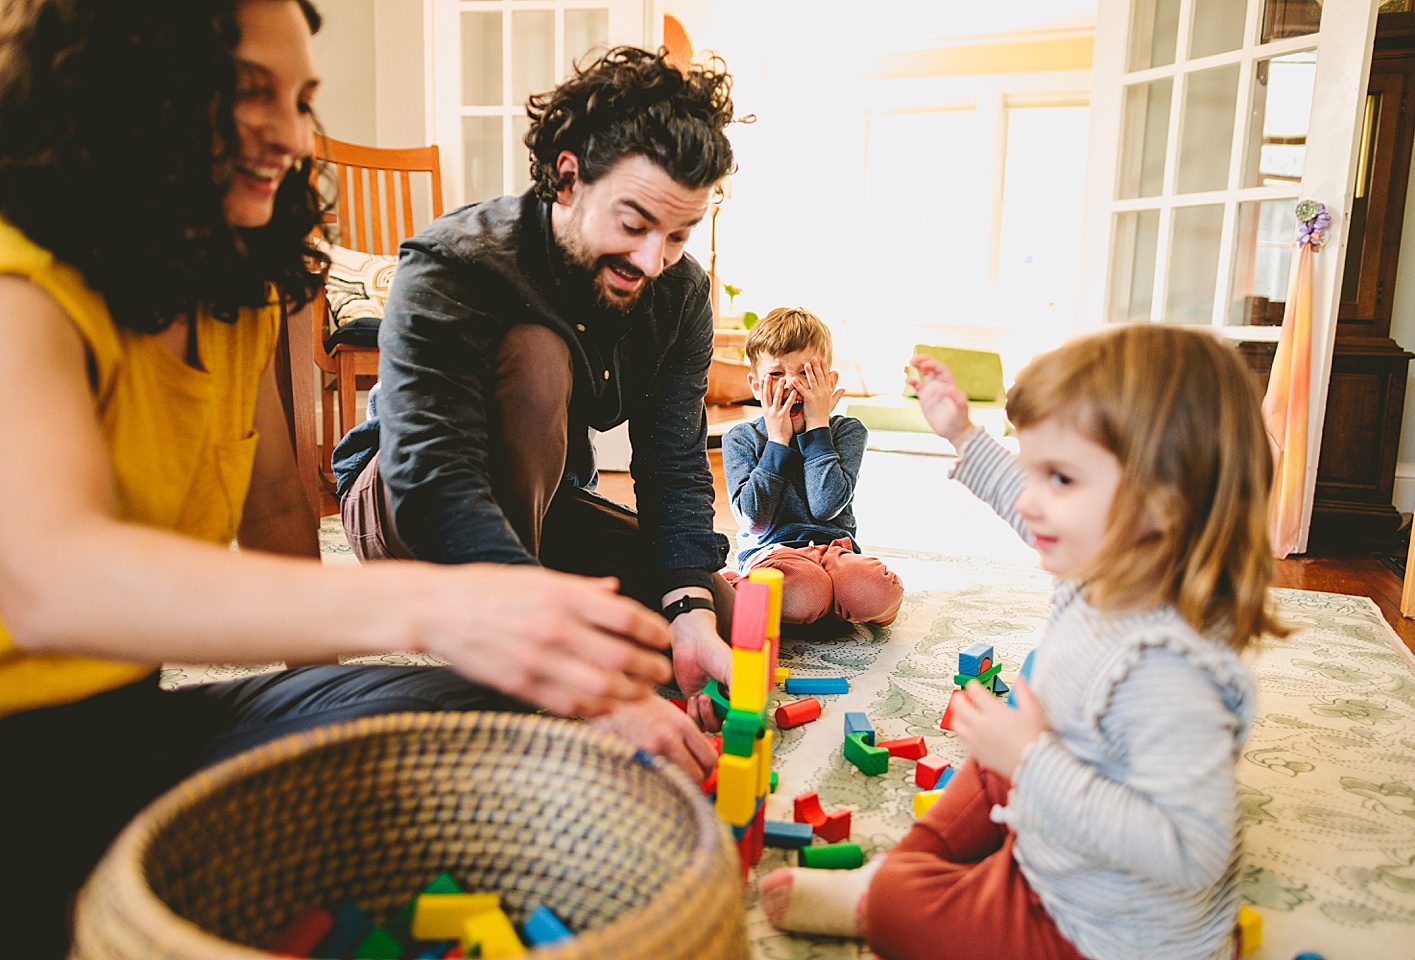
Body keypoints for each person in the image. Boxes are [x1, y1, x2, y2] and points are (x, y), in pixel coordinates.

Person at [0, 2, 681, 955]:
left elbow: (278, 506)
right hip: (18, 756)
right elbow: (43, 580)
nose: (293, 134)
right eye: (251, 92)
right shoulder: (19, 281)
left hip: (135, 725)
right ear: (128, 85)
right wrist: (432, 607)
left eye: (304, 98)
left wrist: (318, 758)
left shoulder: (243, 274)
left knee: (505, 715)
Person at [758, 325, 1285, 960]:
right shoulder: (1115, 559)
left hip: (1091, 927)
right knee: (990, 760)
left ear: (1161, 504)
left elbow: (1190, 853)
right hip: (1058, 823)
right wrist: (960, 434)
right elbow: (1020, 499)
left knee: (903, 902)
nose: (1030, 502)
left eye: (1059, 479)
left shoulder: (1168, 674)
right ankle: (912, 871)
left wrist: (1031, 761)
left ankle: (880, 897)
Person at [331, 46, 739, 730]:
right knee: (538, 353)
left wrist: (689, 611)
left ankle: (540, 603)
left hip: (541, 508)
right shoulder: (453, 262)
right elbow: (432, 478)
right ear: (568, 178)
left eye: (677, 235)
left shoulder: (681, 294)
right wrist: (544, 647)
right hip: (405, 502)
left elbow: (672, 467)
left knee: (698, 605)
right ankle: (507, 645)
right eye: (634, 224)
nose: (652, 260)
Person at [721, 307, 903, 627]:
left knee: (875, 591)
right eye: (776, 374)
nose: (792, 384)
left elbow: (825, 506)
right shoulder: (741, 438)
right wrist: (778, 441)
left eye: (806, 372)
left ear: (829, 382)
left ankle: (820, 600)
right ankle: (749, 589)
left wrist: (818, 427)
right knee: (806, 590)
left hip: (837, 552)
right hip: (773, 555)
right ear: (755, 384)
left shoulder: (847, 430)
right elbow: (754, 520)